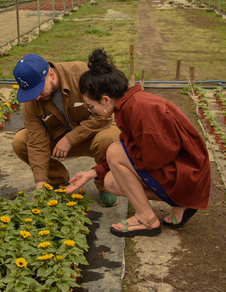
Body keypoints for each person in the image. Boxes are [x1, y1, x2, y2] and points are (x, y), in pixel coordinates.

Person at [66, 49, 211, 237]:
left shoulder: (140, 110)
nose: (92, 111)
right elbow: (133, 150)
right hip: (184, 172)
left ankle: (146, 219)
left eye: (92, 106)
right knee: (110, 182)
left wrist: (117, 157)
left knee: (115, 151)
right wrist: (93, 172)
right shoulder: (129, 104)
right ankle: (180, 204)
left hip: (189, 176)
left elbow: (152, 159)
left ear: (106, 100)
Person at [11, 53, 121, 207]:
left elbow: (105, 114)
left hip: (95, 134)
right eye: (31, 93)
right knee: (20, 141)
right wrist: (41, 182)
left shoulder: (81, 75)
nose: (35, 98)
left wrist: (70, 138)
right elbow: (37, 143)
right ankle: (57, 180)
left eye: (38, 90)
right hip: (59, 143)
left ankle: (105, 185)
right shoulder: (33, 102)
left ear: (51, 75)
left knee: (109, 139)